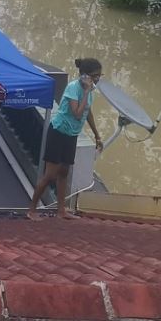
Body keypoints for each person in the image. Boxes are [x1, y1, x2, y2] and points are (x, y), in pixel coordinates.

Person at [27, 58, 105, 220]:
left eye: (99, 75)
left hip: (72, 135)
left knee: (64, 172)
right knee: (50, 175)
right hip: (59, 133)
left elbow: (87, 112)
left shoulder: (89, 91)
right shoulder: (74, 89)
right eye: (95, 75)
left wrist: (97, 135)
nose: (97, 79)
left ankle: (61, 210)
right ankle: (32, 210)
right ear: (84, 76)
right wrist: (85, 92)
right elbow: (77, 113)